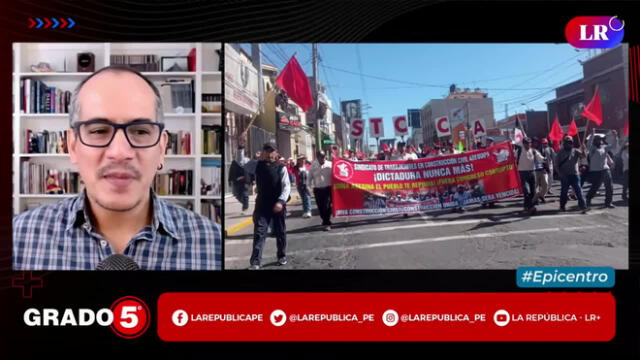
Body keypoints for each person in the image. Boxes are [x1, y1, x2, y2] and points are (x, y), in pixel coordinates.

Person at [13, 66, 221, 270]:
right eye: (99, 130)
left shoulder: (213, 245)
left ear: (161, 147)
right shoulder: (18, 239)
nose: (120, 152)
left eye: (140, 131)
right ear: (72, 146)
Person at [249, 143, 291, 270]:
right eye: (266, 151)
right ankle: (255, 262)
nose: (269, 153)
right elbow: (241, 163)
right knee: (259, 233)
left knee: (280, 232)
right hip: (262, 204)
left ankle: (281, 256)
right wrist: (240, 147)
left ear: (276, 153)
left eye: (271, 151)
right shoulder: (257, 165)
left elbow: (286, 186)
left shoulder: (281, 167)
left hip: (277, 204)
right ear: (263, 153)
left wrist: (280, 201)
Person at [585, 129, 617, 209]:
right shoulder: (592, 149)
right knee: (596, 186)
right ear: (595, 141)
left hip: (605, 169)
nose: (599, 141)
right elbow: (588, 144)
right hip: (596, 171)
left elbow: (613, 146)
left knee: (609, 186)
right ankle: (588, 198)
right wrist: (592, 134)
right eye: (597, 140)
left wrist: (615, 136)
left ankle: (608, 202)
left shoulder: (604, 148)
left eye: (600, 140)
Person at [556, 136, 588, 212]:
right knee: (564, 192)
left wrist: (584, 149)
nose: (569, 144)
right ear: (564, 143)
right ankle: (562, 206)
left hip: (575, 175)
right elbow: (556, 164)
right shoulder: (560, 152)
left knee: (579, 191)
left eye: (570, 143)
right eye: (567, 143)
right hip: (565, 175)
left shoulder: (575, 151)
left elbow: (584, 156)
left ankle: (583, 206)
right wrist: (559, 173)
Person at [516, 137, 546, 215]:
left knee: (533, 192)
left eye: (529, 143)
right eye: (526, 144)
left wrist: (544, 159)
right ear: (523, 144)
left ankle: (526, 206)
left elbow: (540, 158)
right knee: (526, 191)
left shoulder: (533, 151)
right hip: (522, 173)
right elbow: (512, 159)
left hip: (532, 173)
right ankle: (531, 207)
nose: (528, 145)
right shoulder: (518, 151)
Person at [309, 151, 333, 231]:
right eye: (320, 157)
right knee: (320, 207)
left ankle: (327, 223)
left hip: (328, 188)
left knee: (327, 206)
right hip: (318, 189)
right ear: (317, 157)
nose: (322, 158)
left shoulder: (330, 164)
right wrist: (308, 187)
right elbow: (310, 177)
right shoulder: (313, 165)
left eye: (323, 156)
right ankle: (324, 219)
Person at [532, 138, 554, 205]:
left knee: (546, 184)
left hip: (542, 169)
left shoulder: (542, 150)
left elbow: (544, 159)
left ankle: (540, 195)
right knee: (536, 186)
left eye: (536, 142)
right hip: (534, 170)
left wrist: (545, 168)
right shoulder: (530, 151)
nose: (535, 144)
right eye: (534, 142)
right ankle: (535, 200)